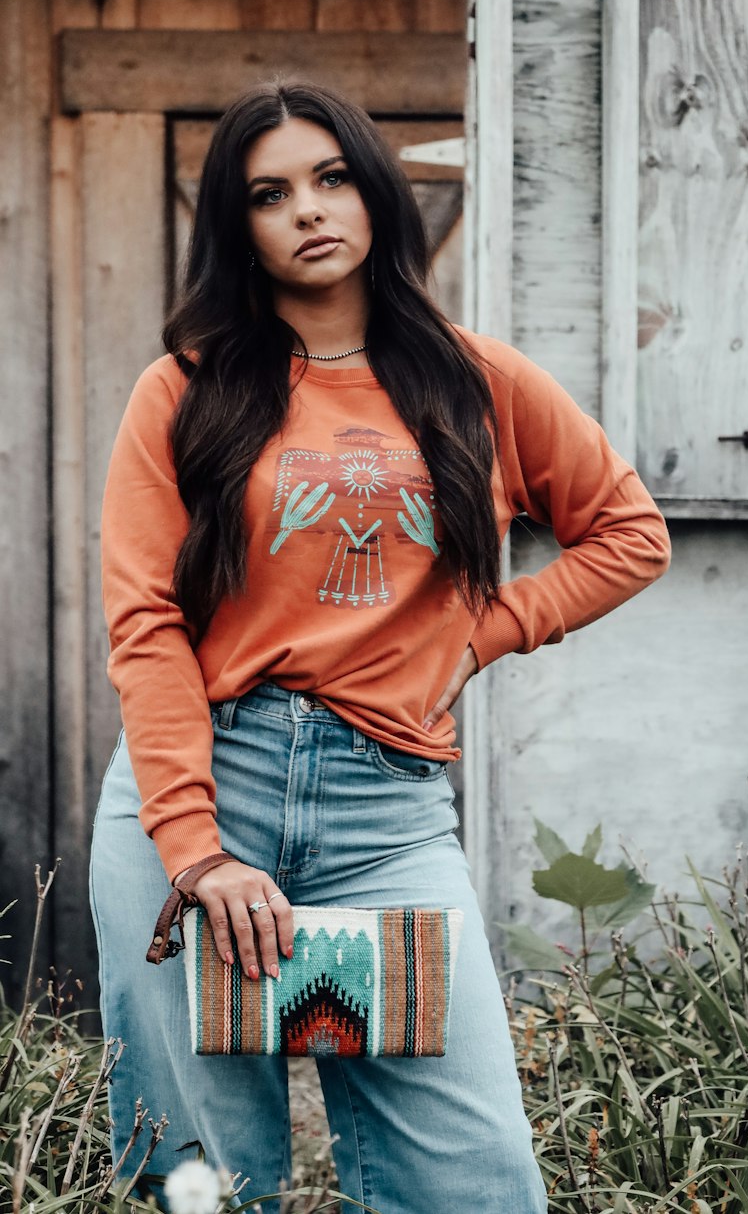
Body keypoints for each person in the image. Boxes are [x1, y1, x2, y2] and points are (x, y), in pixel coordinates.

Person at [89, 79, 672, 1212]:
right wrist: (197, 851)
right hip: (208, 793)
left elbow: (628, 533)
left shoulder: (478, 381)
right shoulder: (186, 392)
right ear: (237, 227)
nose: (309, 210)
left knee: (473, 1182)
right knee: (204, 1182)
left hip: (386, 818)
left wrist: (489, 629)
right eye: (270, 193)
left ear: (376, 192)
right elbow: (148, 625)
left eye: (332, 176)